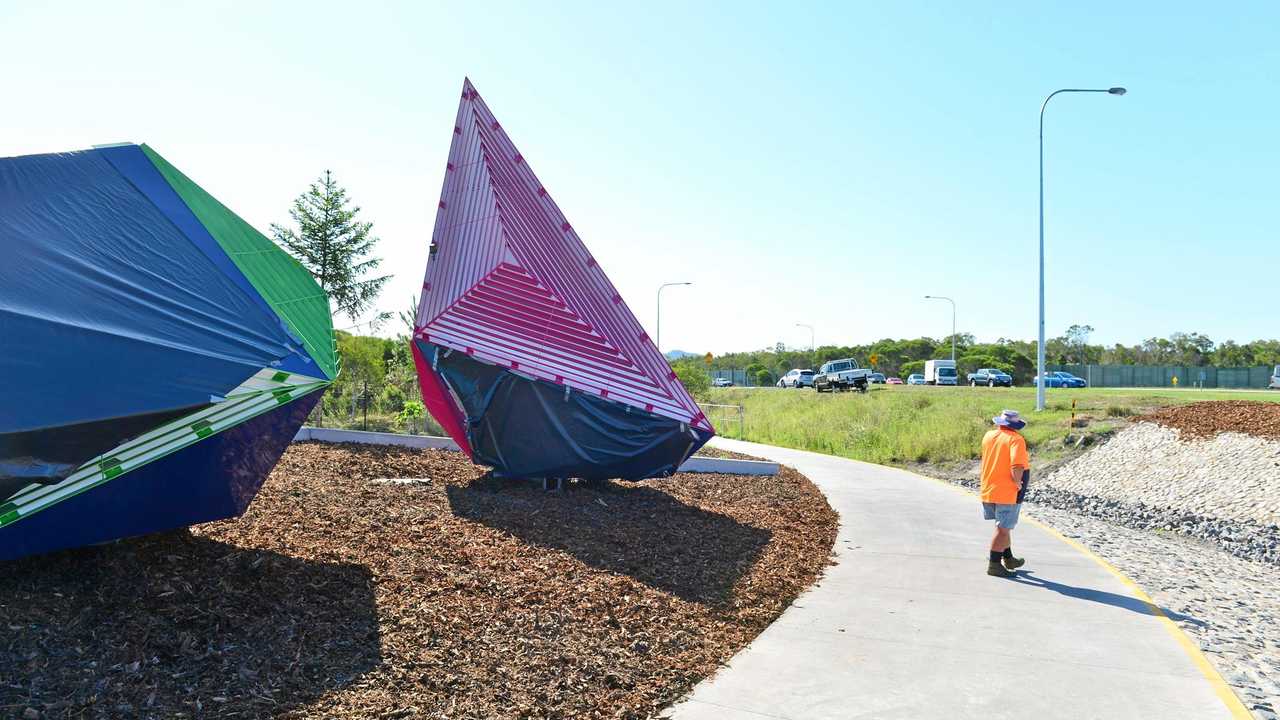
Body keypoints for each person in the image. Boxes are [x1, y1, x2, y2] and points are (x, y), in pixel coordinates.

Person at [980, 409, 1030, 578]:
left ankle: (1008, 558)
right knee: (1003, 529)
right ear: (1015, 425)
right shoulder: (1016, 440)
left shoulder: (989, 436)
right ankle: (994, 564)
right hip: (1007, 491)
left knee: (1002, 525)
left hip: (989, 487)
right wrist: (1017, 483)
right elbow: (1017, 466)